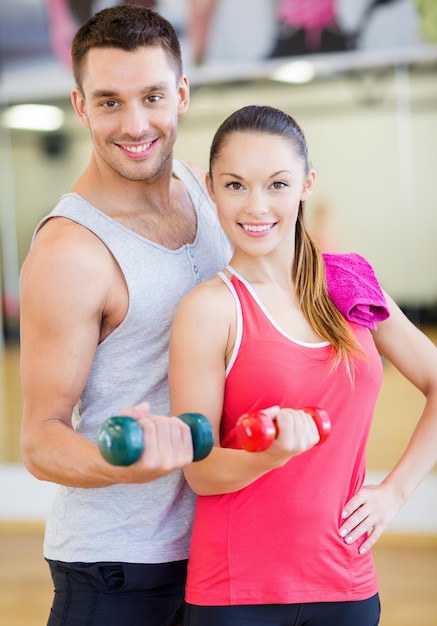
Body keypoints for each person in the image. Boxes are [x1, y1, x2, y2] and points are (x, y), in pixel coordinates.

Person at [168, 104, 437, 626]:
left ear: (306, 184)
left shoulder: (350, 285)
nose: (256, 206)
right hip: (237, 594)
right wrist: (270, 456)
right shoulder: (210, 308)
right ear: (210, 187)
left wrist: (396, 491)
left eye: (276, 184)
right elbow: (200, 470)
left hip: (347, 582)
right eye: (235, 185)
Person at [19, 5, 231, 626]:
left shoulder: (205, 190)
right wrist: (122, 462)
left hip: (217, 549)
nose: (134, 124)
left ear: (182, 94)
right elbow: (39, 439)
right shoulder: (71, 253)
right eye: (109, 102)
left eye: (152, 97)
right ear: (81, 107)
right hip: (119, 567)